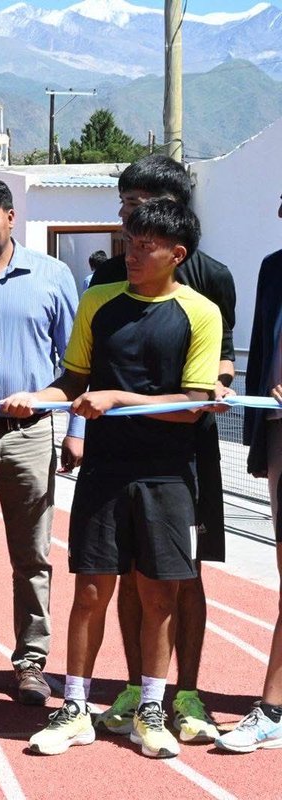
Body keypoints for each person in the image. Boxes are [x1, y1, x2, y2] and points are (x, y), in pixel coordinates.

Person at [5, 199, 220, 759]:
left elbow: (194, 405)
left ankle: (152, 707)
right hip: (104, 471)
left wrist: (120, 397)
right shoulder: (99, 301)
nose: (132, 253)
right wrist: (36, 398)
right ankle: (74, 706)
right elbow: (72, 380)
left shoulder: (200, 312)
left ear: (178, 254)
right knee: (91, 591)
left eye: (146, 245)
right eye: (129, 241)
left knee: (159, 595)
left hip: (167, 475)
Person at [88, 154, 237, 743]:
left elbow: (223, 358)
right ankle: (136, 687)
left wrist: (212, 389)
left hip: (187, 449)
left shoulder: (214, 278)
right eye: (124, 205)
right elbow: (91, 368)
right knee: (128, 570)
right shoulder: (106, 280)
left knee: (185, 573)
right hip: (117, 450)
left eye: (138, 204)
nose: (127, 217)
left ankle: (190, 692)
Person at [0, 176, 80, 706]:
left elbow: (77, 365)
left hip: (31, 437)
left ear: (10, 217)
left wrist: (77, 430)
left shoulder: (52, 276)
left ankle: (30, 662)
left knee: (32, 556)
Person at [219, 190, 282, 753]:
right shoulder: (273, 269)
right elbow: (261, 354)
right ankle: (274, 708)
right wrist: (259, 446)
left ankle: (273, 707)